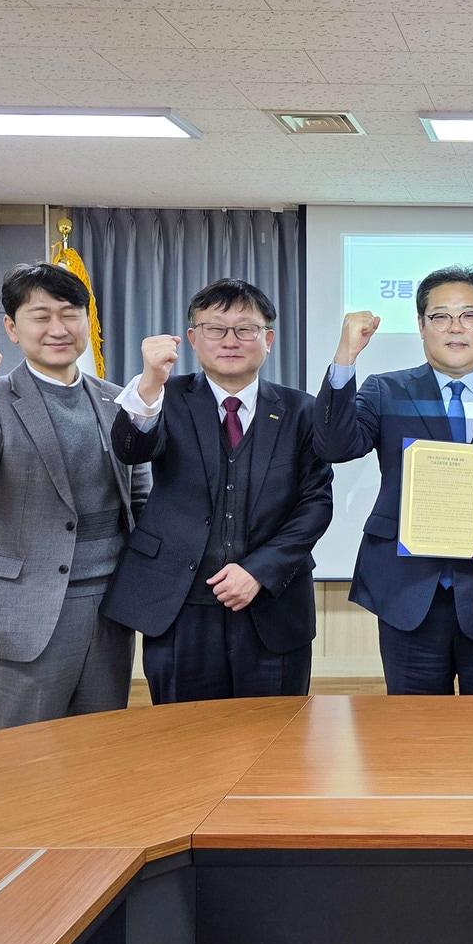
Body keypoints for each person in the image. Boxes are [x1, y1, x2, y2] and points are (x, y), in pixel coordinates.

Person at [314, 265, 473, 695]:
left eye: (469, 315)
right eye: (441, 316)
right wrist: (345, 357)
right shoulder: (385, 390)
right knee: (414, 729)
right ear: (421, 325)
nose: (455, 328)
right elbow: (334, 446)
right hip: (408, 594)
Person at [0, 262, 149, 729]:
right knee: (26, 754)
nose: (58, 328)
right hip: (26, 610)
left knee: (102, 746)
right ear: (12, 328)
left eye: (70, 314)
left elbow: (140, 500)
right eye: (40, 315)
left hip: (109, 609)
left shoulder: (117, 400)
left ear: (87, 323)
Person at [101, 279, 333, 703]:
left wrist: (258, 571)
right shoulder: (164, 397)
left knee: (274, 731)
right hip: (178, 604)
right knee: (185, 732)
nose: (230, 340)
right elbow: (131, 450)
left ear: (268, 340)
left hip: (272, 602)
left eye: (245, 329)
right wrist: (150, 383)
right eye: (215, 329)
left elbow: (315, 504)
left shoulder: (302, 409)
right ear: (192, 339)